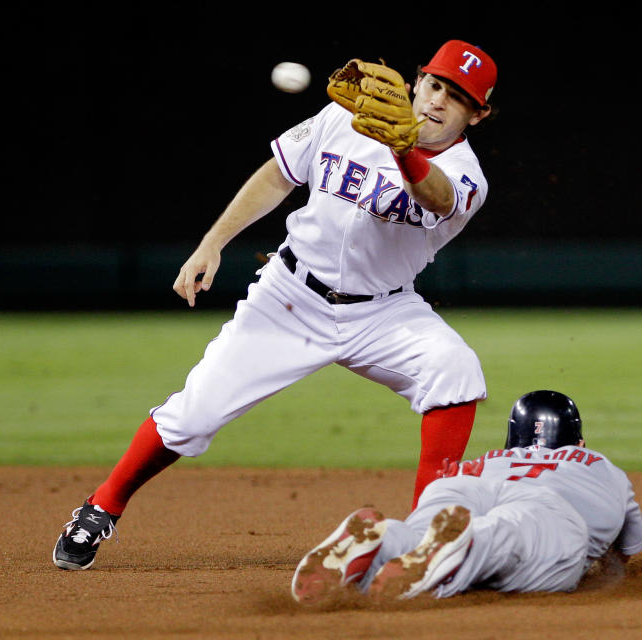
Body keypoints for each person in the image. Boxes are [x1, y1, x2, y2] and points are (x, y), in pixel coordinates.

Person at [52, 40, 498, 571]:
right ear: (417, 80)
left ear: (478, 114)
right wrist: (212, 242)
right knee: (192, 417)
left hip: (382, 313)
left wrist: (402, 151)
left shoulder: (467, 175)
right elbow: (277, 175)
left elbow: (439, 198)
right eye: (436, 85)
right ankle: (103, 505)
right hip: (288, 300)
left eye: (458, 97)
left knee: (454, 368)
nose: (439, 101)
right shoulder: (345, 115)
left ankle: (427, 538)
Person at [290, 390, 642, 603]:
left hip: (460, 485)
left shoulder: (490, 459)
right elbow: (623, 558)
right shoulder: (600, 466)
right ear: (579, 442)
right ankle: (466, 544)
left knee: (419, 534)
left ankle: (386, 539)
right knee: (508, 534)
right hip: (547, 508)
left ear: (513, 442)